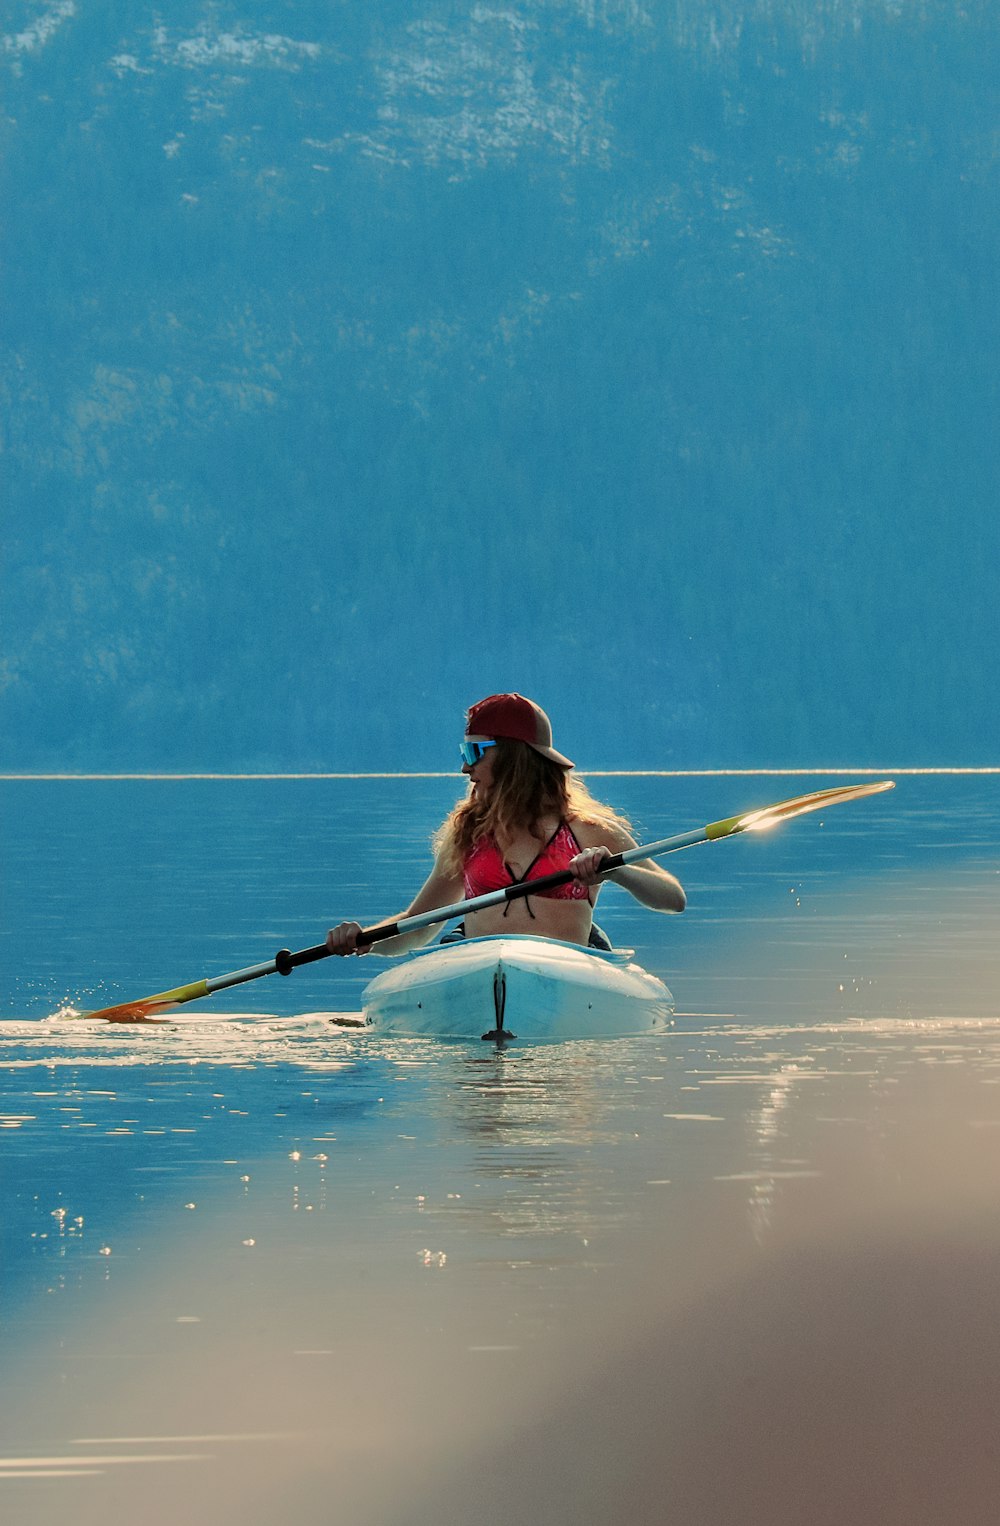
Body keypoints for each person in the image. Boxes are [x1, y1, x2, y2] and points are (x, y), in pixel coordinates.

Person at [326, 693, 685, 957]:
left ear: (515, 758)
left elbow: (673, 898)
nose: (465, 769)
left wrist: (615, 871)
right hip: (478, 963)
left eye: (473, 754)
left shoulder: (589, 832)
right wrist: (365, 939)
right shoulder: (468, 835)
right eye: (463, 754)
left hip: (570, 968)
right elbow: (419, 925)